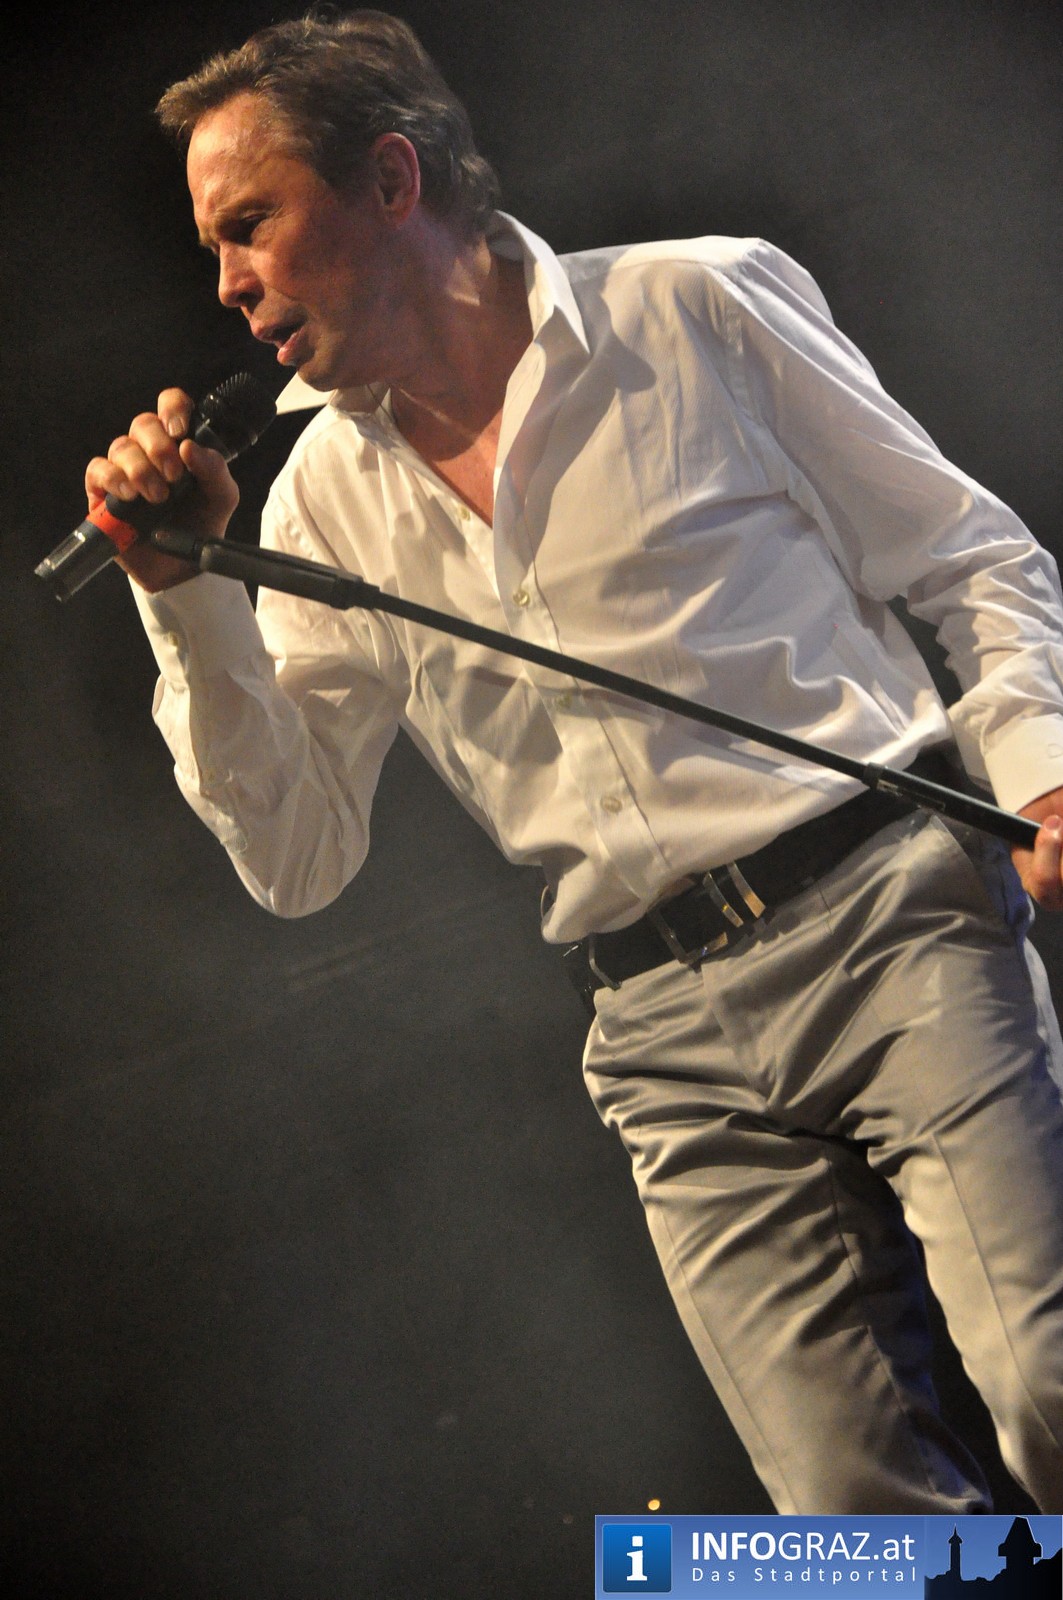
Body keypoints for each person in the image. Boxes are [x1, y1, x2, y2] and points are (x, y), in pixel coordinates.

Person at [84, 11, 1063, 1513]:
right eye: (214, 244)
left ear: (391, 180)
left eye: (249, 225)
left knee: (1051, 1382)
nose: (224, 281)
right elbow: (296, 858)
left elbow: (971, 560)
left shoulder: (696, 304)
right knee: (847, 1532)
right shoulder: (319, 502)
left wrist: (1042, 771)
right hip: (666, 1045)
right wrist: (184, 595)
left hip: (893, 924)